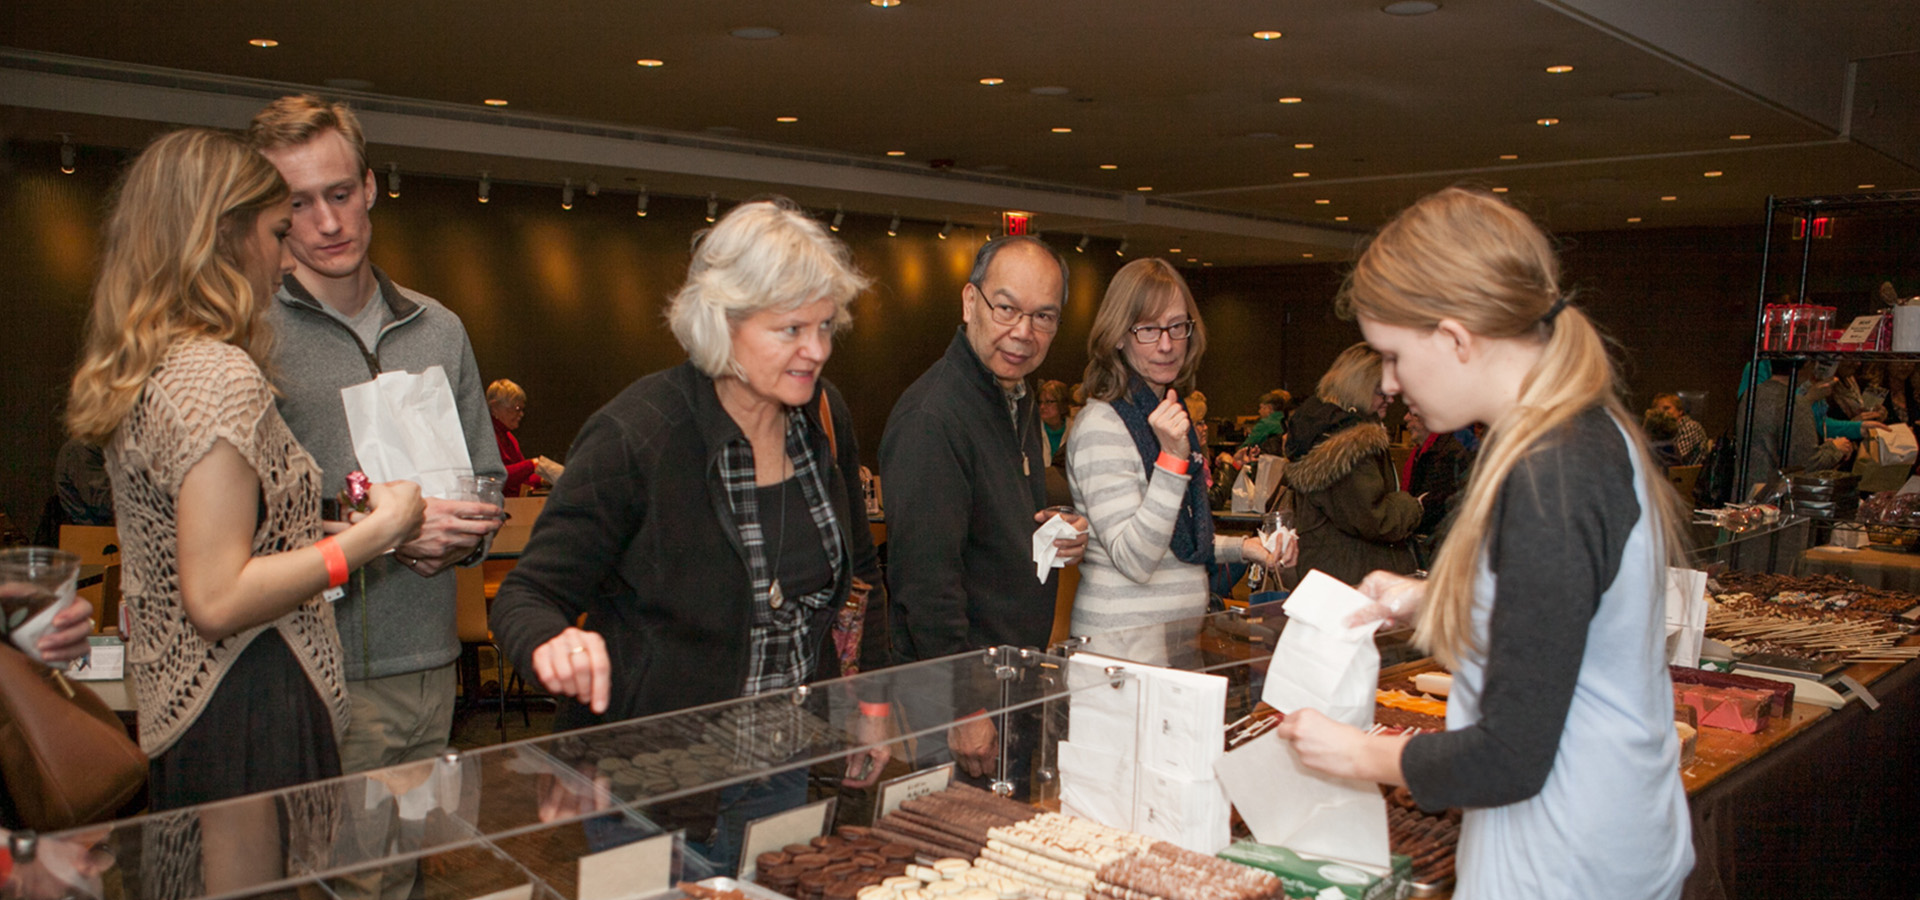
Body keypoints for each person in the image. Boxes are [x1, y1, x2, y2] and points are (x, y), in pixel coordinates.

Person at [1275, 187, 1692, 898]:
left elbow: (1507, 759)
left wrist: (1355, 754)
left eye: (1396, 355)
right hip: (1608, 837)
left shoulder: (1549, 473)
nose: (1389, 381)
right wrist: (1432, 598)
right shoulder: (1584, 432)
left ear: (1456, 337)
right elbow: (1565, 617)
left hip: (1567, 862)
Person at [489, 198, 889, 873]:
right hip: (651, 786)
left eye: (825, 326)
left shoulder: (823, 414)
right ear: (720, 320)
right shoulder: (637, 436)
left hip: (784, 768)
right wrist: (553, 642)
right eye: (790, 328)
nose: (816, 350)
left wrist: (872, 698)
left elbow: (862, 576)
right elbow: (526, 594)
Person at [64, 128, 425, 810]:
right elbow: (220, 597)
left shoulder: (161, 365)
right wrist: (379, 534)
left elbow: (213, 535)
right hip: (248, 694)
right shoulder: (217, 375)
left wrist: (311, 525)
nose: (286, 259)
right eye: (275, 232)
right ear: (223, 240)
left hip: (203, 699)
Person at [248, 95, 506, 778]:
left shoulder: (439, 328)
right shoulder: (246, 336)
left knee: (406, 869)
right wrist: (381, 530)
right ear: (269, 214)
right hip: (301, 667)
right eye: (299, 204)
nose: (328, 222)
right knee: (332, 879)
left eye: (339, 192)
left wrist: (464, 531)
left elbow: (487, 478)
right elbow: (230, 535)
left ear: (370, 187)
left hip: (430, 664)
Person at [879, 234, 1091, 779]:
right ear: (970, 302)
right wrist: (965, 706)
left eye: (1044, 316)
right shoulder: (935, 416)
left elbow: (987, 525)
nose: (1024, 332)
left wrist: (1048, 532)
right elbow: (925, 583)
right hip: (961, 701)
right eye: (1007, 308)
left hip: (1006, 680)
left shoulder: (1011, 396)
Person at [1064, 259, 1286, 656]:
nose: (1166, 344)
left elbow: (1176, 537)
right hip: (1122, 653)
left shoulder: (1164, 408)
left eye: (1177, 326)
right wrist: (1171, 459)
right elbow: (1135, 558)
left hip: (1174, 643)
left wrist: (1242, 547)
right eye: (1148, 330)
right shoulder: (1102, 424)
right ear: (1118, 336)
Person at [1280, 343, 1421, 585]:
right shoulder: (1350, 443)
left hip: (1327, 572)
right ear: (1359, 386)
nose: (1390, 399)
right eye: (1381, 391)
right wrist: (1413, 506)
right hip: (1354, 577)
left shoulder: (1318, 430)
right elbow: (1375, 519)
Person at [1401, 408, 1471, 567]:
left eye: (1412, 413)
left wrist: (1417, 505)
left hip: (1440, 550)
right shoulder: (1425, 451)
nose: (1405, 418)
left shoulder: (1449, 453)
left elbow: (1444, 503)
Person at [487, 379, 565, 495]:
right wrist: (533, 465)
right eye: (517, 409)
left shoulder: (509, 438)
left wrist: (544, 480)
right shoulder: (486, 437)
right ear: (495, 407)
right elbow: (495, 477)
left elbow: (523, 479)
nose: (521, 414)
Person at [1649, 392, 1707, 465]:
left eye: (1667, 408)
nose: (1662, 413)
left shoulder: (1691, 427)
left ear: (1680, 411)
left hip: (1686, 475)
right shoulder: (1661, 431)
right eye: (1658, 410)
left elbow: (1672, 458)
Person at [1038, 379, 1070, 467]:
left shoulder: (1075, 431)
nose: (1042, 407)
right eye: (1040, 402)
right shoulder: (1031, 432)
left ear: (1062, 403)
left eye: (1048, 402)